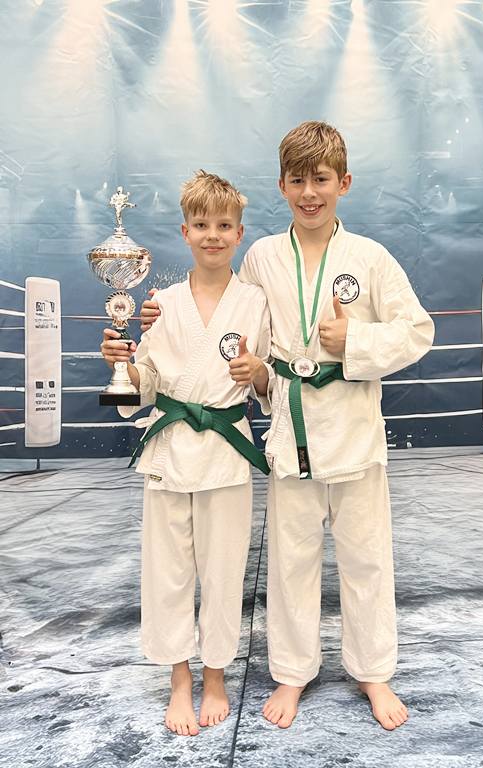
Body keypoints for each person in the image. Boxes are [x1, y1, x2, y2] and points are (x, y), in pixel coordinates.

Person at [141, 122, 434, 731]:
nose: (309, 193)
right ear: (282, 186)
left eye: (320, 180)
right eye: (297, 181)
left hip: (353, 429)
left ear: (343, 183)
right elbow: (232, 324)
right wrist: (160, 314)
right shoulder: (262, 256)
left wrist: (357, 340)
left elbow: (417, 332)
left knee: (366, 559)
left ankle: (373, 671)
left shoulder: (370, 258)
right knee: (291, 563)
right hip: (289, 431)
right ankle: (293, 671)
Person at [101, 170, 272, 737]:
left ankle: (215, 675)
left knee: (223, 570)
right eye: (201, 225)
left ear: (239, 233)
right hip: (170, 450)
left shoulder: (255, 302)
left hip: (225, 451)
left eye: (223, 226)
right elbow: (147, 383)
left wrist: (258, 372)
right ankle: (179, 677)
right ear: (185, 232)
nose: (212, 235)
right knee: (167, 571)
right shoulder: (161, 303)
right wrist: (122, 366)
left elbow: (268, 380)